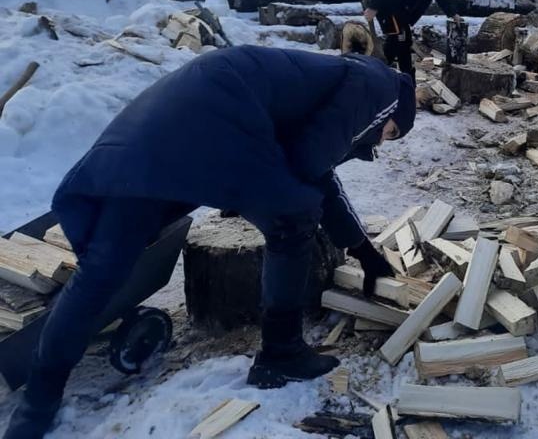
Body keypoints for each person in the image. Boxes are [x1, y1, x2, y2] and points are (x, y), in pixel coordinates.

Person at [4, 46, 414, 439]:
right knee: (294, 217)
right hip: (222, 110)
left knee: (101, 269)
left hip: (165, 120)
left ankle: (37, 405)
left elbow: (317, 171)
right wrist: (265, 197)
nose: (379, 143)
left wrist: (362, 249)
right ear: (392, 113)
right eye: (389, 134)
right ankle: (281, 353)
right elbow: (308, 166)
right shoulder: (378, 86)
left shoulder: (329, 80)